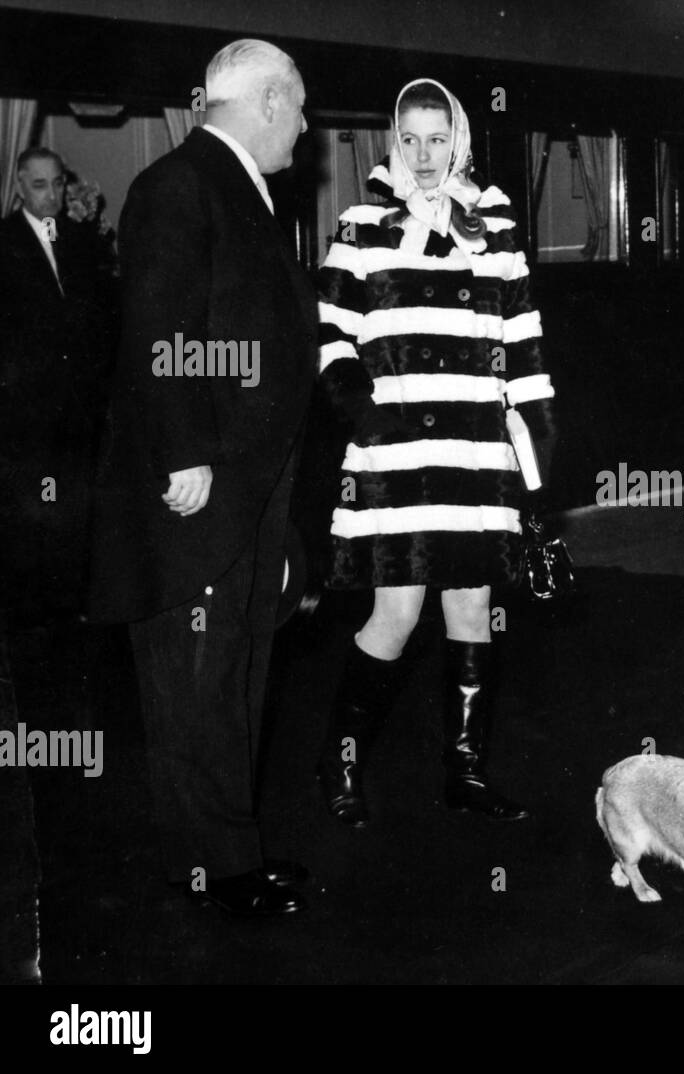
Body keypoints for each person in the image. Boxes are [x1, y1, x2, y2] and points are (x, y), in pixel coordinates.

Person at [86, 40, 318, 915]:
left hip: (248, 489)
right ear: (265, 100)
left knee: (233, 672)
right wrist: (186, 453)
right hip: (202, 488)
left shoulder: (235, 187)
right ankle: (212, 869)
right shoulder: (179, 185)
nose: (305, 125)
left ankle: (234, 849)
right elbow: (160, 323)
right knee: (195, 681)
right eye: (298, 108)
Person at [314, 78, 554, 826]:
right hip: (396, 457)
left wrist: (537, 448)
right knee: (397, 610)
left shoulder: (498, 225)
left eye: (438, 138)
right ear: (393, 139)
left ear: (461, 141)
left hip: (477, 449)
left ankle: (467, 776)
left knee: (474, 606)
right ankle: (341, 765)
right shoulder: (361, 224)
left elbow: (523, 342)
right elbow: (328, 332)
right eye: (410, 138)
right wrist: (363, 414)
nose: (424, 155)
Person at [0, 147, 113, 623]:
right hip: (27, 415)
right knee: (35, 516)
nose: (51, 194)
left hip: (79, 410)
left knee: (76, 511)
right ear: (20, 187)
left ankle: (72, 604)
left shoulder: (82, 240)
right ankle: (34, 609)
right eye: (39, 185)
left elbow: (100, 320)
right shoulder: (4, 241)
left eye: (57, 183)